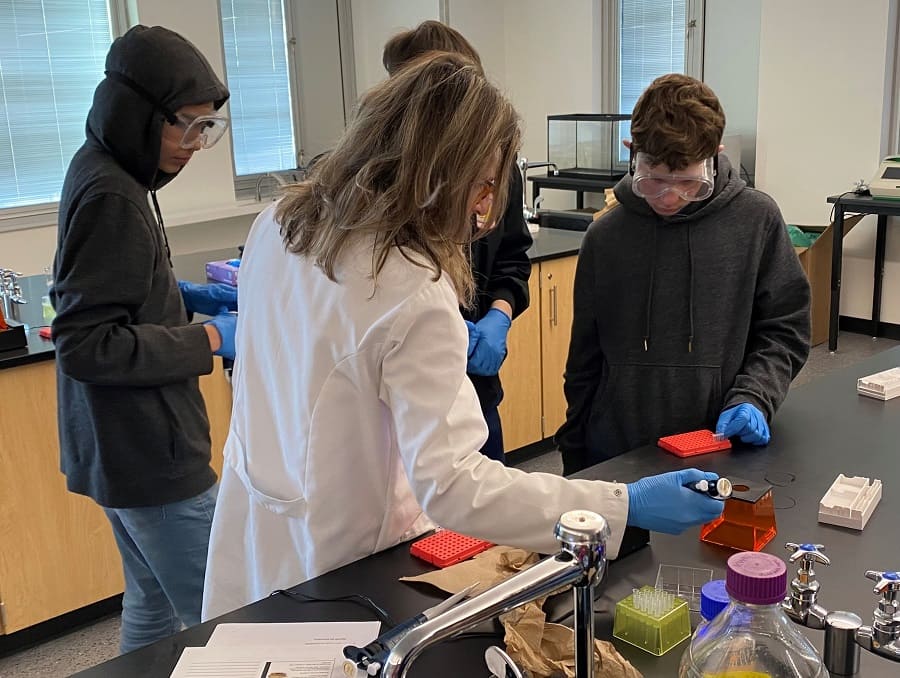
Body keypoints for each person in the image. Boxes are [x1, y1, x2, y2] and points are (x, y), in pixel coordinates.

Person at [202, 52, 724, 619]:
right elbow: (453, 485)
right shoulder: (409, 286)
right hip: (349, 559)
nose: (483, 209)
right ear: (439, 173)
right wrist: (622, 505)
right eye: (483, 186)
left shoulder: (278, 221)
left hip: (260, 531)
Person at [51, 25, 237, 653]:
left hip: (116, 449)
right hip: (149, 454)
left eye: (206, 129)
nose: (194, 145)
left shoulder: (108, 169)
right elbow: (86, 342)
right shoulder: (113, 192)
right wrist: (207, 338)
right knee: (221, 616)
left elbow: (112, 293)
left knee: (152, 608)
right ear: (137, 113)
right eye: (185, 125)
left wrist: (180, 294)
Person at [555, 74, 811, 475]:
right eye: (653, 180)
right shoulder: (605, 237)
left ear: (715, 155)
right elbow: (584, 360)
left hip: (716, 448)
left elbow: (785, 329)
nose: (669, 197)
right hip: (617, 455)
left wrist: (755, 396)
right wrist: (574, 452)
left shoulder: (756, 221)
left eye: (688, 182)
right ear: (631, 153)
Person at [382, 22, 532, 463]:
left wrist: (498, 318)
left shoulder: (497, 171)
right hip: (407, 397)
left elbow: (512, 258)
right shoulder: (380, 188)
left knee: (485, 514)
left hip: (477, 385)